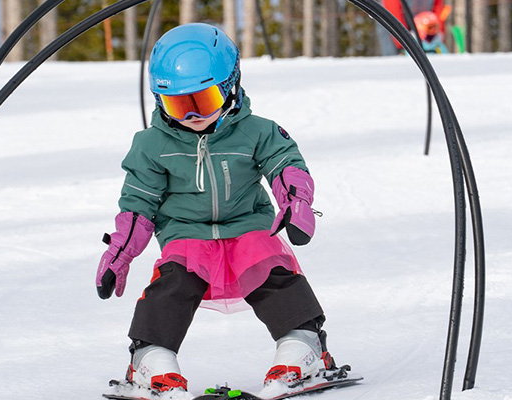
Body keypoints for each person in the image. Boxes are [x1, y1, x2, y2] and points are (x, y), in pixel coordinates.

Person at [95, 23, 340, 395]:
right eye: (179, 104)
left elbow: (285, 164)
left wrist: (295, 201)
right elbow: (138, 203)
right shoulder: (151, 145)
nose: (192, 116)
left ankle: (302, 343)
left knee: (274, 270)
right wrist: (120, 252)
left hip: (248, 226)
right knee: (173, 283)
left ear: (230, 87)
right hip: (186, 233)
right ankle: (150, 357)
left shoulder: (257, 131)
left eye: (203, 101)